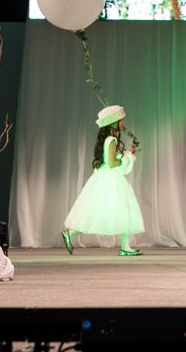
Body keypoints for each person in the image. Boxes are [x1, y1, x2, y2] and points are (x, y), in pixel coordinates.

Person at [61, 105, 145, 257]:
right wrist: (128, 157)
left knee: (105, 210)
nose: (123, 123)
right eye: (121, 120)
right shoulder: (111, 140)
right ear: (114, 122)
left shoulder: (109, 140)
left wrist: (126, 152)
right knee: (119, 209)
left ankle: (72, 234)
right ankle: (124, 247)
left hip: (106, 177)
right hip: (111, 179)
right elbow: (112, 163)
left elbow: (109, 159)